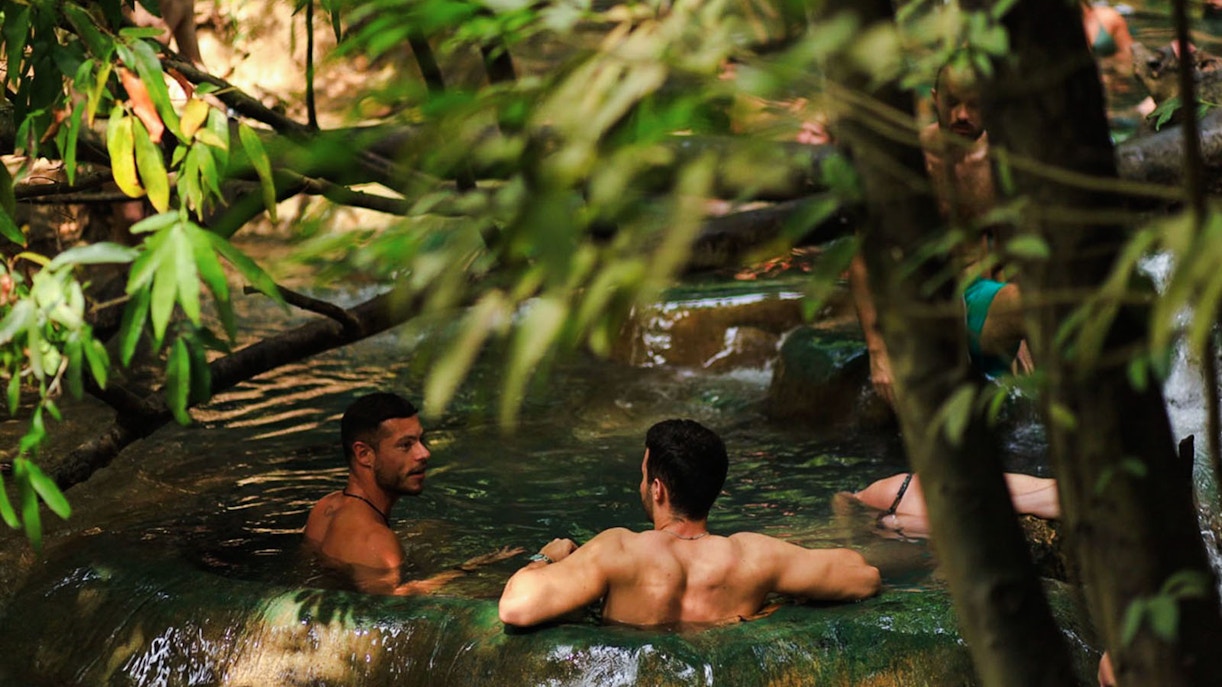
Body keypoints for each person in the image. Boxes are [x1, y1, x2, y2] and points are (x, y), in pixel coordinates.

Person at [497, 419, 881, 628]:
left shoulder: (621, 549)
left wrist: (545, 559)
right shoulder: (754, 555)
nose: (641, 485)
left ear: (658, 489)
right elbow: (862, 576)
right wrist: (783, 592)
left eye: (644, 476)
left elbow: (516, 607)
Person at [850, 58, 1028, 406]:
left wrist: (1019, 339)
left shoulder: (999, 161)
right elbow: (862, 262)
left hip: (978, 301)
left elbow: (1012, 250)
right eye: (952, 103)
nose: (962, 115)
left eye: (975, 104)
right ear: (934, 99)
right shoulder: (909, 162)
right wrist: (878, 351)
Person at [303, 392, 519, 595]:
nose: (424, 453)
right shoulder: (377, 543)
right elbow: (389, 612)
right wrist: (466, 569)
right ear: (364, 454)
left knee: (433, 529)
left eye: (420, 441)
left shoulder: (325, 508)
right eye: (406, 445)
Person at [842, 471, 1060, 539]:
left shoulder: (995, 482)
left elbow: (1063, 493)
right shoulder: (897, 491)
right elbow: (843, 499)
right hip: (892, 538)